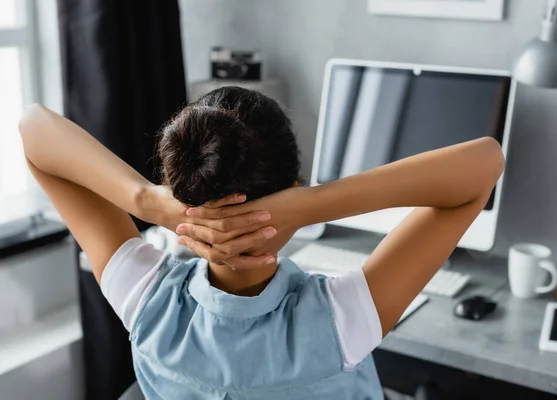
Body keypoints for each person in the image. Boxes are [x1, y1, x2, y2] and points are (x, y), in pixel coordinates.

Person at [19, 87, 504, 400]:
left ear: (180, 188)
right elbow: (484, 166)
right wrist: (312, 204)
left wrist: (148, 202)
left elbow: (34, 132)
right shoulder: (343, 322)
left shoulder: (145, 300)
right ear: (292, 183)